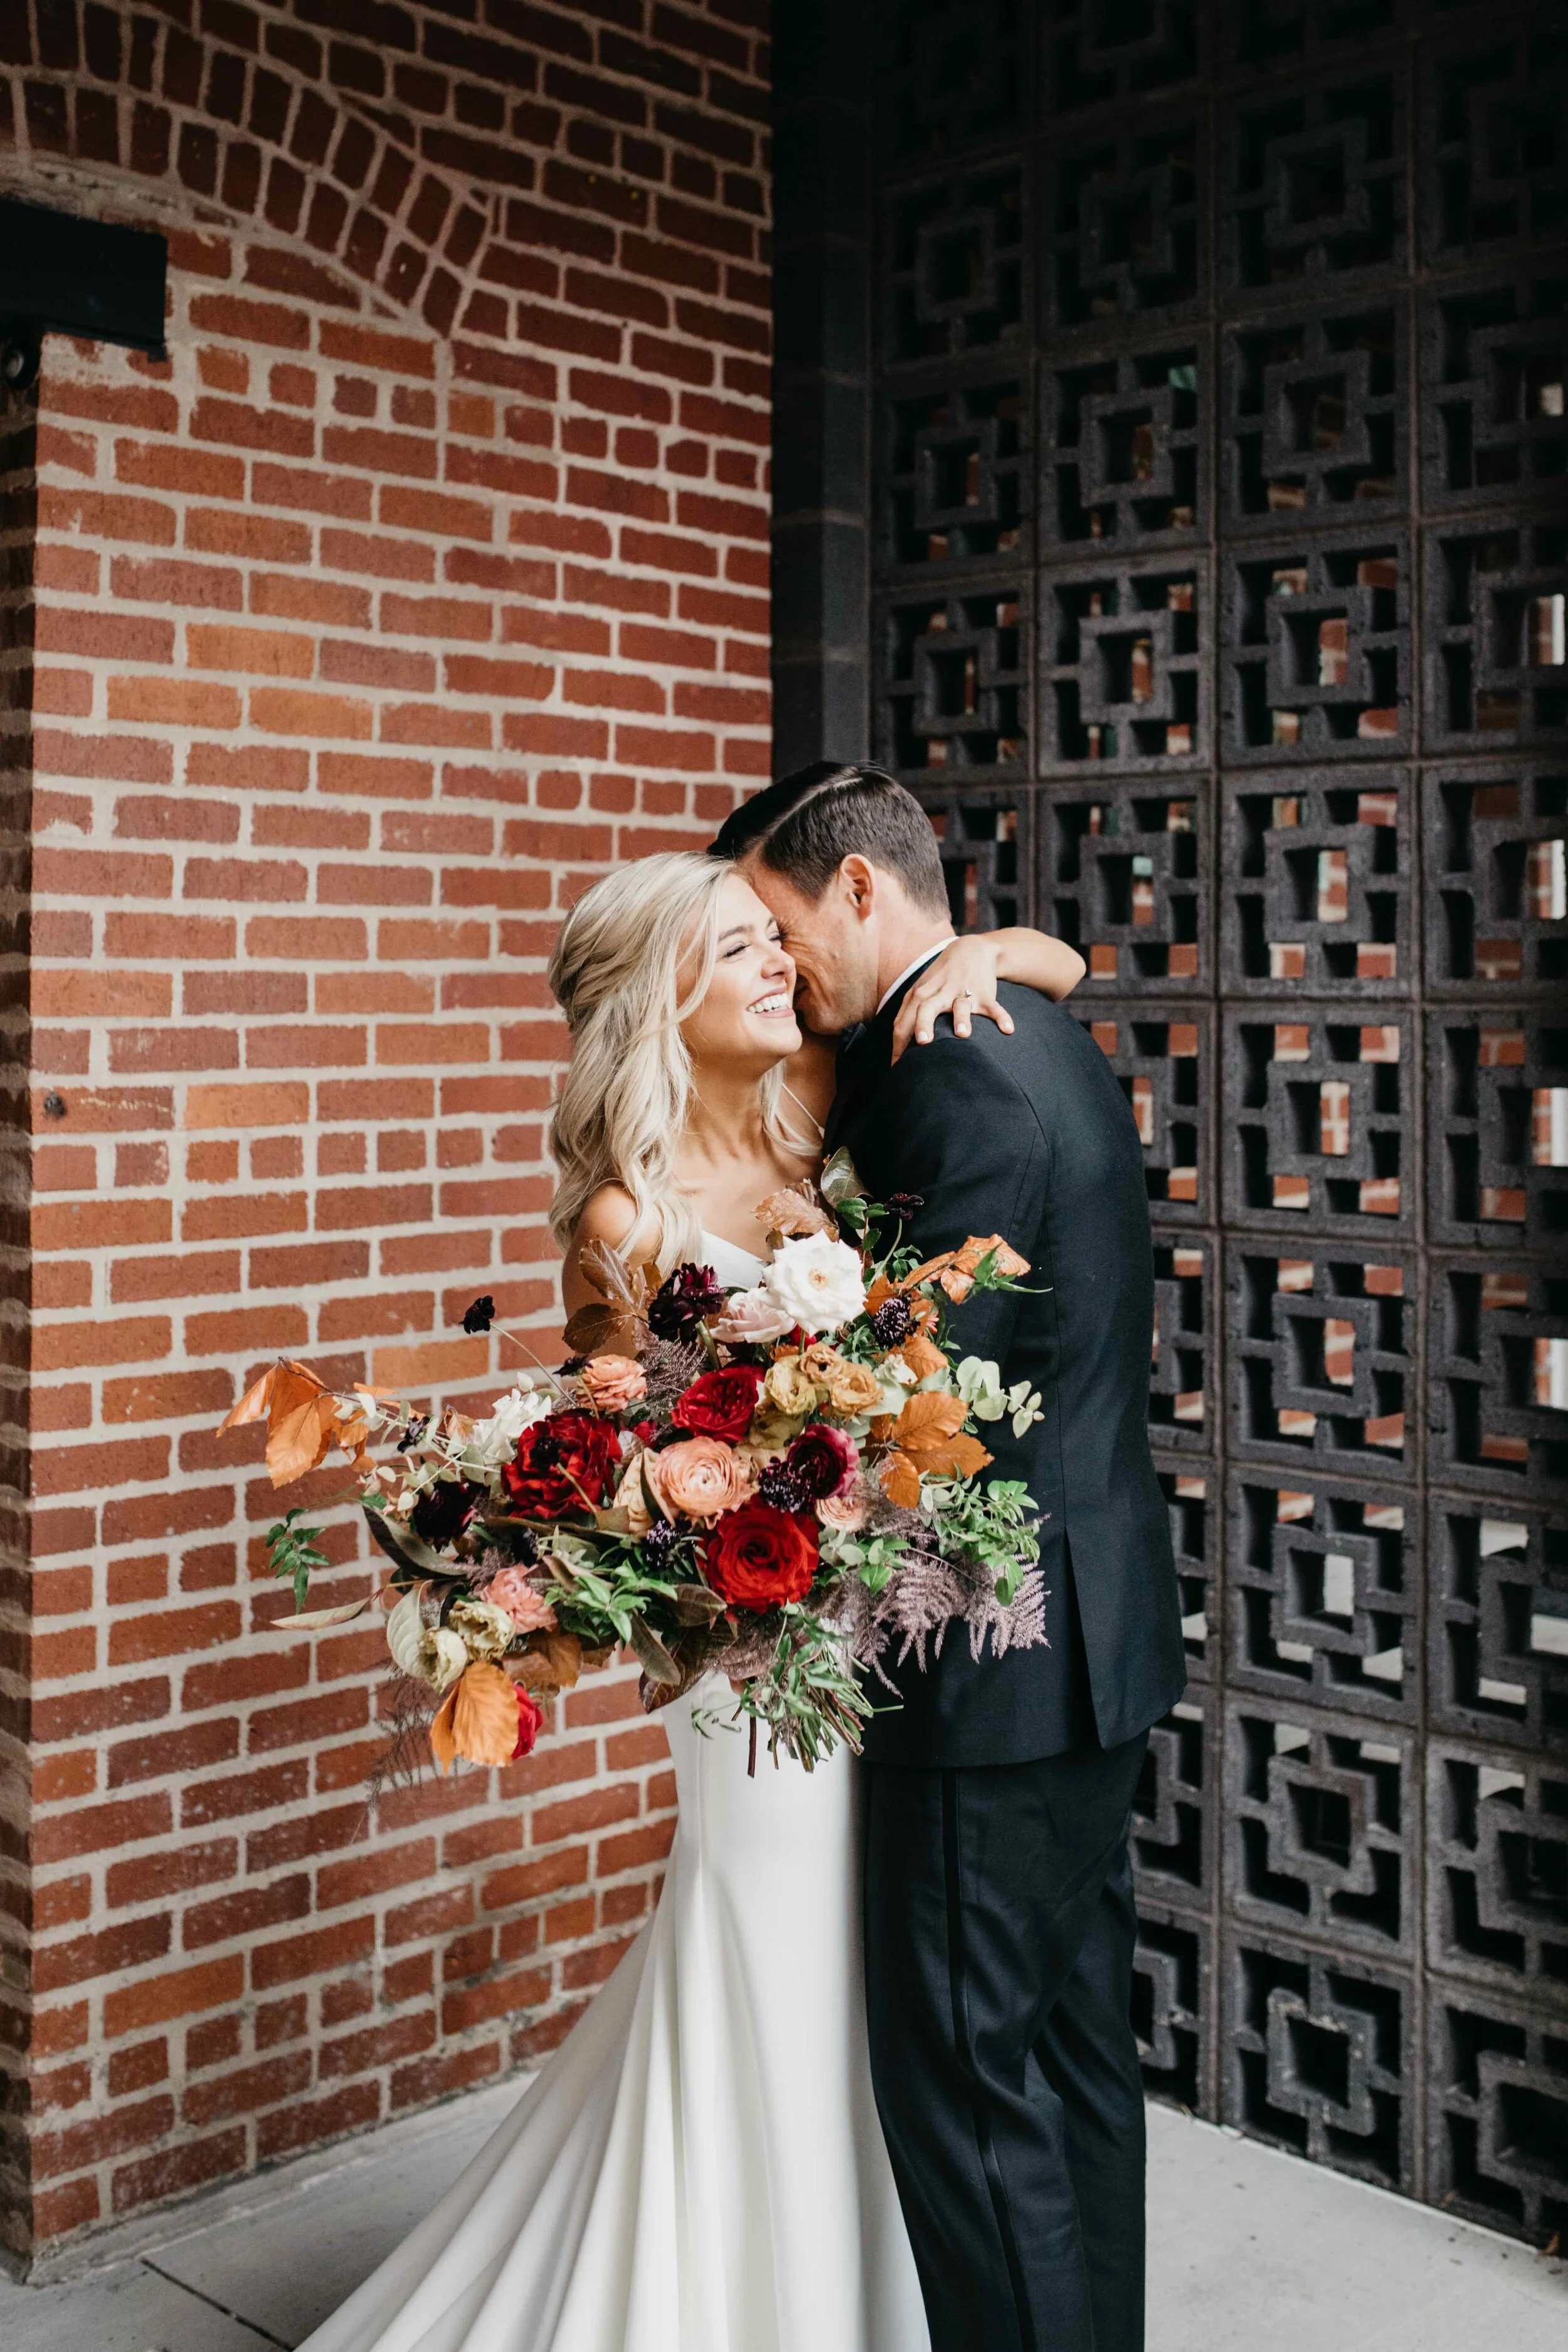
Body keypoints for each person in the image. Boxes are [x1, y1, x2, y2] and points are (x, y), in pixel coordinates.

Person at [294, 844, 1087, 2352]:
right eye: (736, 949)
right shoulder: (624, 1223)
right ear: (662, 996)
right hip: (744, 1660)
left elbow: (1067, 968)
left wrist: (985, 954)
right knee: (773, 1949)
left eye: (774, 942)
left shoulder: (825, 1104)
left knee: (865, 1973)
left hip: (870, 1628)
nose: (777, 967)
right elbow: (622, 1461)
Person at [717, 761, 1187, 2352]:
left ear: (860, 889)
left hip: (992, 1669)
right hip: (1097, 1640)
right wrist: (1015, 946)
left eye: (784, 928)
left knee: (970, 2100)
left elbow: (913, 1411)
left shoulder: (944, 1071)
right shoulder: (1027, 1026)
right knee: (1064, 2064)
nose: (783, 971)